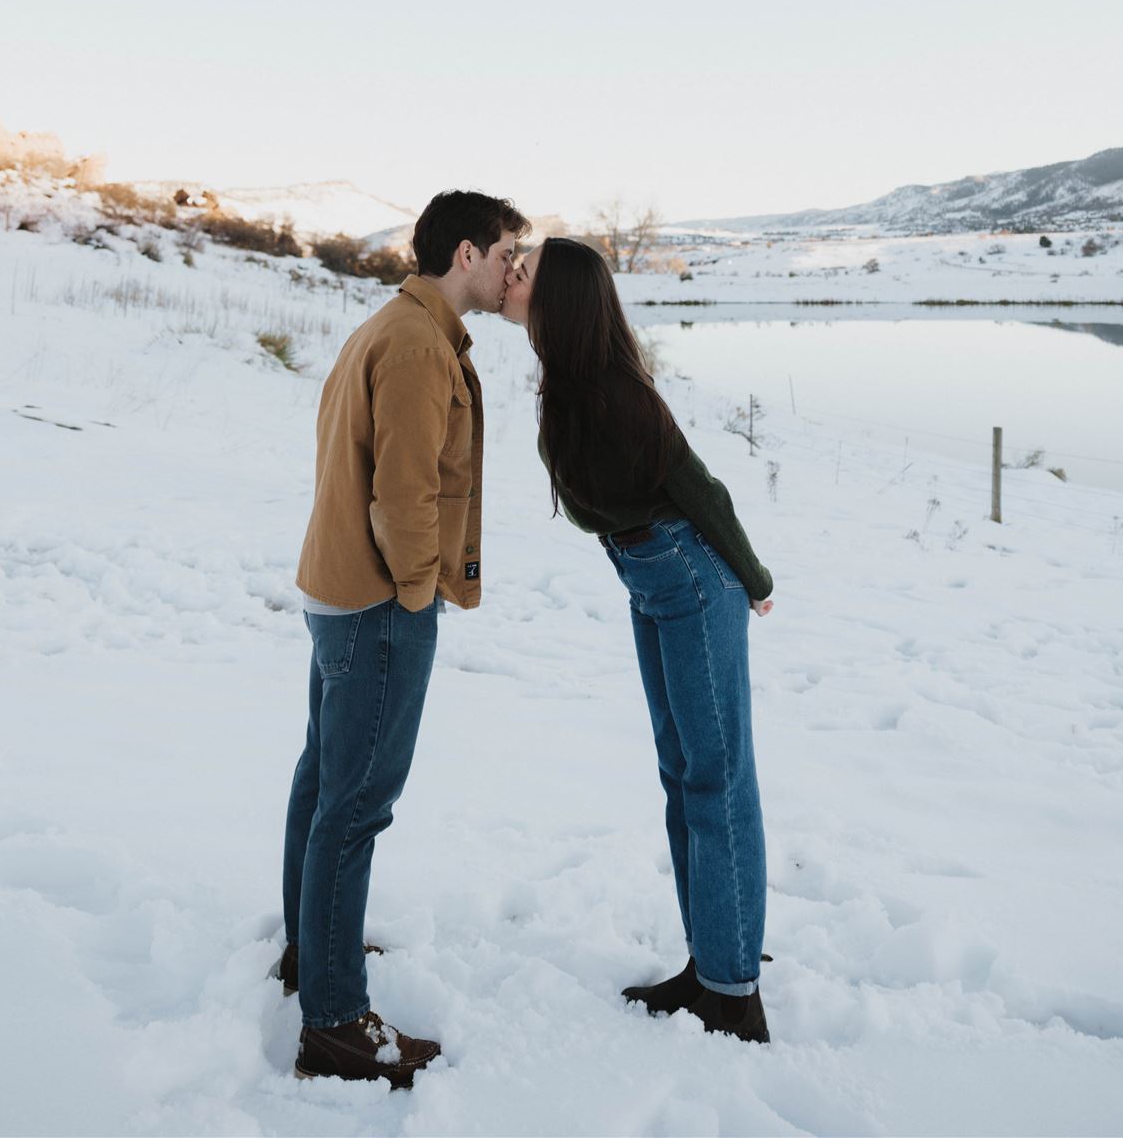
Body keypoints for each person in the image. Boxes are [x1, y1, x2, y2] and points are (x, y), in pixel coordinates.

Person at [279, 190, 528, 1088]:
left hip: (337, 589)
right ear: (466, 253)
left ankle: (313, 953)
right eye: (507, 253)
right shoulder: (420, 344)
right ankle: (336, 1022)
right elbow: (404, 496)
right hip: (378, 601)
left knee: (324, 784)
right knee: (356, 805)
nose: (514, 271)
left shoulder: (393, 322)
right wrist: (418, 597)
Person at [501, 236, 775, 1044]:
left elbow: (699, 488)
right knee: (682, 773)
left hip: (691, 577)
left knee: (716, 781)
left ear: (562, 299)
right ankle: (709, 966)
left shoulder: (614, 390)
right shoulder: (572, 381)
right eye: (510, 266)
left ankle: (735, 995)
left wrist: (753, 579)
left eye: (525, 271)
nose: (511, 275)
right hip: (652, 579)